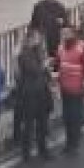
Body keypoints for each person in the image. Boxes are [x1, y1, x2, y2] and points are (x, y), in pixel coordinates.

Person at [17, 31, 53, 160]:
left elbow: (44, 73)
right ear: (30, 39)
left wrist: (49, 80)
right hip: (30, 94)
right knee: (29, 124)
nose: (39, 40)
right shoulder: (23, 55)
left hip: (41, 92)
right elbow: (33, 70)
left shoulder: (39, 52)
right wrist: (44, 65)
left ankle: (43, 149)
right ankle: (26, 153)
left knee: (43, 123)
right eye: (36, 38)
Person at [57, 26, 84, 154]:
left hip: (77, 88)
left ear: (72, 34)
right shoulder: (60, 47)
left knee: (75, 117)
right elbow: (59, 65)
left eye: (66, 33)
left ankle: (75, 143)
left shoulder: (82, 47)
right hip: (64, 88)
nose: (63, 35)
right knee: (67, 117)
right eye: (62, 33)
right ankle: (68, 143)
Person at [29, 0, 68, 66]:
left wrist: (62, 22)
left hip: (56, 40)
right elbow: (33, 24)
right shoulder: (38, 7)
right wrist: (32, 37)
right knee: (43, 61)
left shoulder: (60, 7)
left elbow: (66, 24)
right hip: (42, 40)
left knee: (56, 61)